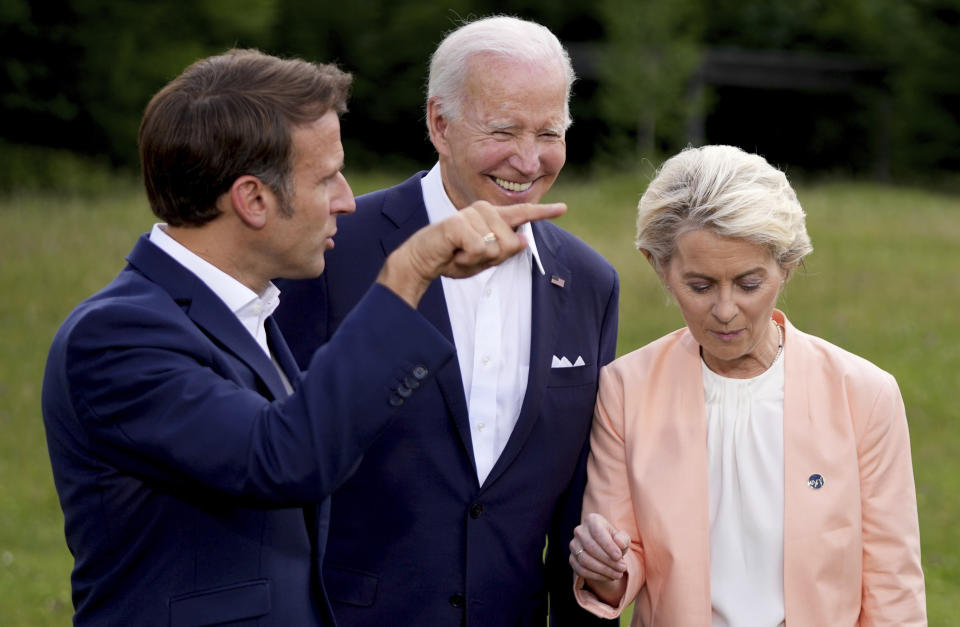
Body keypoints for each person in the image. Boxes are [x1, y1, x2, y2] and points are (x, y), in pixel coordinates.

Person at [40, 48, 566, 626]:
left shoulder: (247, 317)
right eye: (325, 178)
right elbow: (284, 457)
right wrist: (406, 273)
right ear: (253, 200)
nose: (346, 198)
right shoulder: (117, 335)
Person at [274, 16, 619, 626]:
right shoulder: (330, 253)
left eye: (549, 132)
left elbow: (578, 513)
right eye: (504, 130)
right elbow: (280, 460)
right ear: (440, 123)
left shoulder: (591, 283)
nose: (530, 158)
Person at [569, 145, 927, 626]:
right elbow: (620, 562)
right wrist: (603, 567)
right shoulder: (625, 389)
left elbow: (892, 587)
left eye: (748, 283)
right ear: (659, 266)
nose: (723, 309)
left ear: (787, 265)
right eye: (699, 286)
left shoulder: (864, 395)